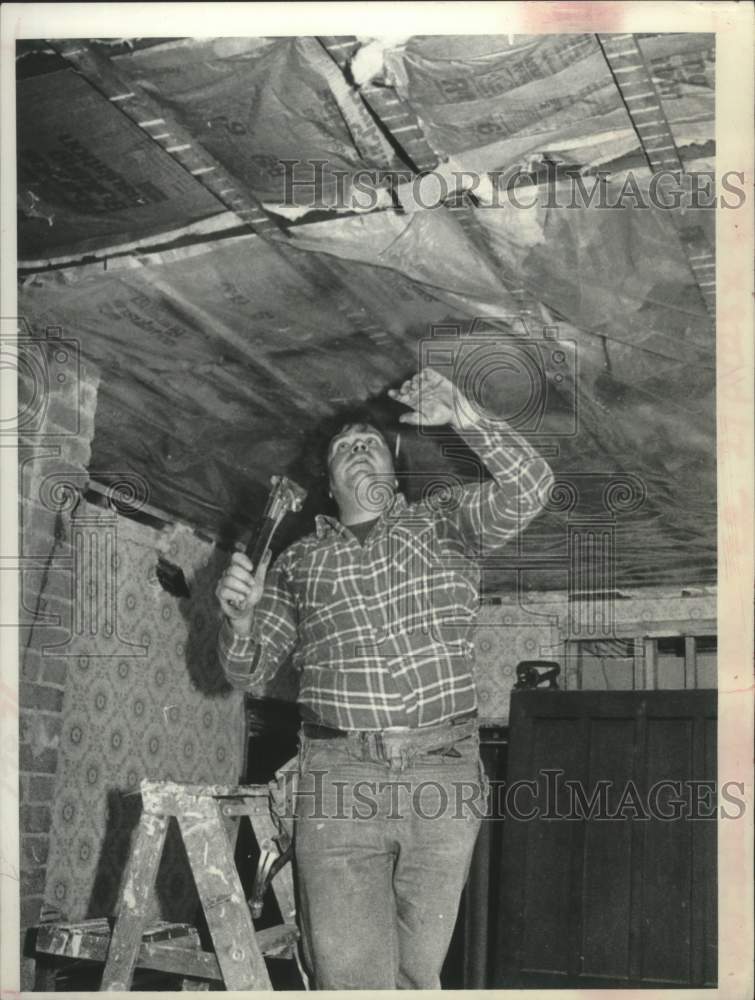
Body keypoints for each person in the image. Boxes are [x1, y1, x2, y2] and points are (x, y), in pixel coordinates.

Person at [216, 367, 553, 989]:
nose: (359, 447)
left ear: (394, 465)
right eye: (345, 446)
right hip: (339, 779)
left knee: (418, 977)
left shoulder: (447, 519)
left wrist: (465, 413)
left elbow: (532, 486)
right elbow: (250, 670)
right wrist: (238, 622)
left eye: (370, 441)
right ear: (330, 478)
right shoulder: (295, 563)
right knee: (351, 979)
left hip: (443, 772)